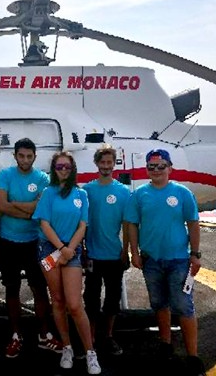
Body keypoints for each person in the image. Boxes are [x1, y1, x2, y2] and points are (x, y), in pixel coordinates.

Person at [124, 149, 206, 375]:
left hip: (179, 260)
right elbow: (132, 225)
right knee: (159, 304)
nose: (157, 170)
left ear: (170, 168)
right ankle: (165, 343)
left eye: (161, 166)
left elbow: (193, 223)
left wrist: (195, 254)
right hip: (151, 260)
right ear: (146, 170)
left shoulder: (182, 193)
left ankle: (193, 356)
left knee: (184, 306)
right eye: (152, 167)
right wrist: (134, 252)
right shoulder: (139, 195)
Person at [33, 151, 101, 375]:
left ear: (73, 170)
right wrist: (61, 249)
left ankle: (90, 352)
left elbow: (82, 225)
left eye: (67, 167)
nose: (63, 170)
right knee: (58, 301)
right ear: (54, 170)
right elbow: (44, 224)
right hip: (49, 249)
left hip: (72, 250)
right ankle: (67, 347)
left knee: (74, 304)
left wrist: (69, 249)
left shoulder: (81, 194)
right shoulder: (48, 193)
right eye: (59, 167)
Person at [0, 138, 63, 358]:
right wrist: (30, 211)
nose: (25, 160)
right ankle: (16, 336)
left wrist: (13, 204)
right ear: (15, 155)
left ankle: (45, 335)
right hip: (8, 242)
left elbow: (41, 208)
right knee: (12, 289)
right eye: (21, 156)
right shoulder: (5, 175)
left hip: (35, 242)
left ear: (35, 156)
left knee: (39, 289)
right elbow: (0, 206)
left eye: (29, 156)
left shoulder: (42, 178)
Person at [82, 144, 131, 356]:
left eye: (109, 162)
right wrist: (83, 248)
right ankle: (91, 338)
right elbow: (81, 223)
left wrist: (126, 250)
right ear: (96, 163)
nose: (106, 166)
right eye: (102, 162)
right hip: (92, 254)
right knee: (91, 299)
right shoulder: (87, 190)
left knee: (112, 298)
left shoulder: (123, 191)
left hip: (114, 255)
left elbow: (127, 224)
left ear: (114, 164)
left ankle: (109, 336)